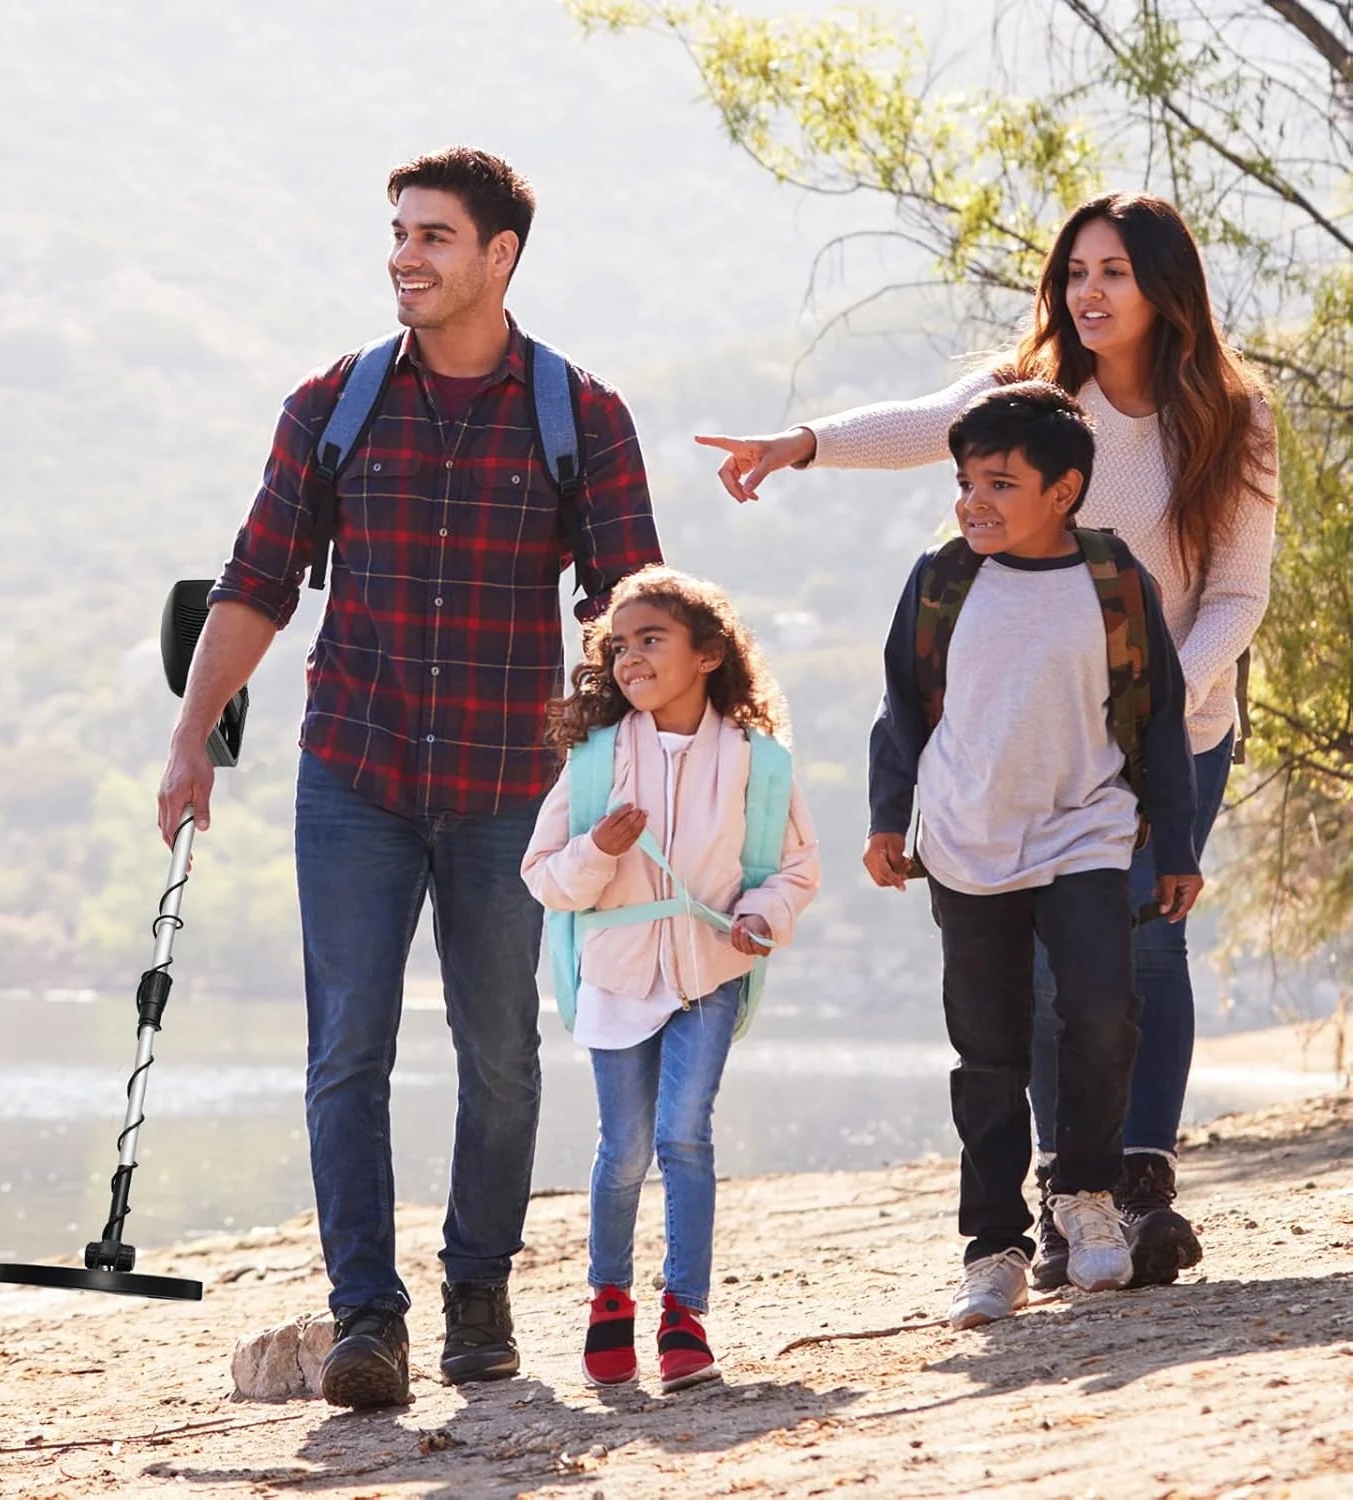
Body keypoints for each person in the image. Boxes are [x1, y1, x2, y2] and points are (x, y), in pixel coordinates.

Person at [156, 146, 662, 1410]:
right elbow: (259, 581)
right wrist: (190, 735)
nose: (405, 256)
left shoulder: (580, 417)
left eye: (433, 235)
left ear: (499, 257)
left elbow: (628, 609)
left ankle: (478, 1298)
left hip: (509, 786)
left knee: (500, 1053)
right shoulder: (335, 404)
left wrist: (641, 760)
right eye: (397, 232)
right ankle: (365, 1320)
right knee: (347, 1050)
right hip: (355, 775)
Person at [698, 192, 1276, 1287]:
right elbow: (925, 424)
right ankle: (1069, 1196)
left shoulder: (1232, 420)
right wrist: (803, 444)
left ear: (1166, 289)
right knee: (1056, 972)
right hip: (1029, 742)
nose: (1088, 292)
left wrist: (1152, 704)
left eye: (1113, 271)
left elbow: (1238, 596)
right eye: (1076, 272)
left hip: (1176, 728)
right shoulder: (1037, 395)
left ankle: (1139, 1185)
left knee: (1145, 947)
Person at [863, 381, 1201, 1328]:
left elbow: (1163, 720)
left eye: (999, 484)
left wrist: (1172, 842)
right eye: (966, 482)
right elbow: (900, 706)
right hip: (968, 840)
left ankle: (1087, 1196)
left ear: (1064, 490)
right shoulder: (941, 579)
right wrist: (889, 819)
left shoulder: (1114, 580)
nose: (974, 501)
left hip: (1084, 828)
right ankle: (994, 1247)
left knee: (1102, 1010)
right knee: (988, 1051)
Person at [521, 565, 820, 1389]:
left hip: (710, 972)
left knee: (684, 1135)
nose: (630, 660)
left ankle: (684, 1316)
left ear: (710, 655)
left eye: (652, 640)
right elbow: (542, 876)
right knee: (622, 1151)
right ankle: (608, 1299)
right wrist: (598, 852)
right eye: (619, 646)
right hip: (615, 978)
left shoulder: (760, 764)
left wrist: (763, 916)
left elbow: (797, 868)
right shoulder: (593, 760)